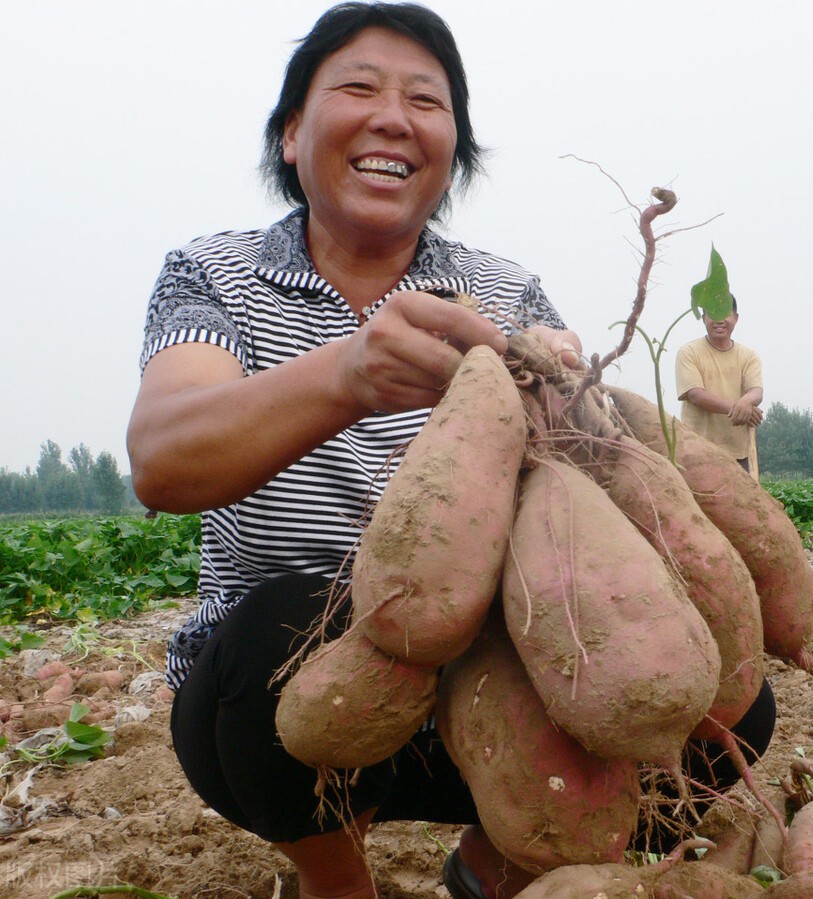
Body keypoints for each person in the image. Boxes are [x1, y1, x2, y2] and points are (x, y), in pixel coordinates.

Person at [126, 5, 775, 898]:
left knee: (717, 698)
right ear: (289, 135)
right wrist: (350, 373)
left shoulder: (504, 291)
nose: (393, 116)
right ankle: (336, 880)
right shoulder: (213, 274)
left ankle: (491, 868)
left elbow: (583, 470)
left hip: (496, 670)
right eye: (358, 88)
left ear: (455, 152)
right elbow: (163, 461)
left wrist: (578, 410)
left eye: (426, 102)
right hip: (303, 692)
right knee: (265, 639)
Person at [675, 296, 764, 476]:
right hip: (697, 452)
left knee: (743, 503)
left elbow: (756, 391)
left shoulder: (748, 356)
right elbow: (695, 395)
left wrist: (746, 402)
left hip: (738, 454)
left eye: (725, 313)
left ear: (736, 318)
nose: (719, 320)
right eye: (713, 313)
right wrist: (739, 408)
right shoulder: (689, 353)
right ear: (704, 318)